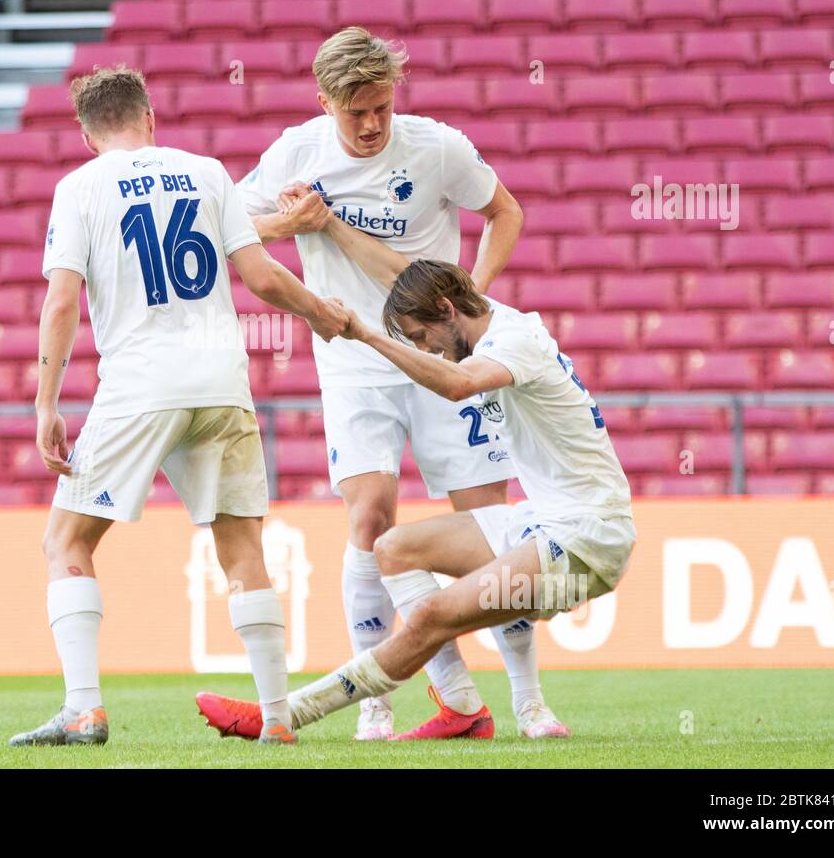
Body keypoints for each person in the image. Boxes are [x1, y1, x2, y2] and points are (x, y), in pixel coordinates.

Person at [238, 26, 567, 739]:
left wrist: (467, 303)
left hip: (443, 355)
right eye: (356, 111)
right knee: (371, 519)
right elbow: (233, 225)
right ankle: (379, 700)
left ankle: (529, 701)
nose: (371, 124)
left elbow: (505, 212)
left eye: (382, 108)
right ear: (324, 100)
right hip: (354, 358)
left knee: (489, 525)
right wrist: (283, 221)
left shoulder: (436, 146)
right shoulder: (298, 151)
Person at [7, 65, 348, 747]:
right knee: (243, 549)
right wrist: (320, 311)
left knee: (66, 541)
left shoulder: (79, 187)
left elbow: (63, 300)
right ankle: (278, 719)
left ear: (85, 133)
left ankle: (84, 709)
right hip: (222, 383)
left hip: (139, 387)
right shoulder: (207, 171)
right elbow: (259, 275)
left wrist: (46, 402)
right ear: (150, 117)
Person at [197, 256, 636, 741]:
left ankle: (285, 715)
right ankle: (464, 707)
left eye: (422, 337)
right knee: (392, 548)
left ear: (447, 309)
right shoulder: (500, 329)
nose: (429, 351)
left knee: (429, 618)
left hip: (589, 538)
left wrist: (365, 335)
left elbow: (457, 385)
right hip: (545, 520)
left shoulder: (513, 341)